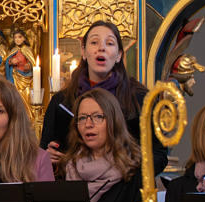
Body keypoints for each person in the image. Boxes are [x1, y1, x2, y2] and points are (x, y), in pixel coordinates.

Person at [39, 19, 161, 167]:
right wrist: (49, 156)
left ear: (119, 55)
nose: (101, 48)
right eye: (94, 42)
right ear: (83, 52)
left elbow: (158, 154)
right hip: (73, 179)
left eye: (109, 43)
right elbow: (44, 150)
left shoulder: (140, 99)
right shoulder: (62, 101)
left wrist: (127, 166)